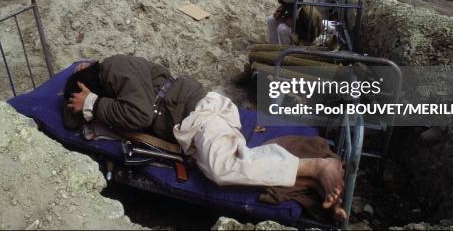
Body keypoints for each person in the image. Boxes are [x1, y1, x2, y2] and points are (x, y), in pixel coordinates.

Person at [63, 54, 346, 220]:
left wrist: (91, 103)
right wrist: (93, 108)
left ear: (86, 85)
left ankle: (318, 166)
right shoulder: (112, 82)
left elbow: (139, 115)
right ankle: (310, 182)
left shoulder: (114, 66)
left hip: (201, 113)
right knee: (229, 165)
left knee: (221, 168)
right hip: (193, 124)